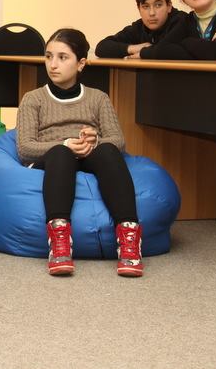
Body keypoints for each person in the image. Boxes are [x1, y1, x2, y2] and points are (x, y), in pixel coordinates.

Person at [16, 28, 143, 277]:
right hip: (52, 159)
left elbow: (118, 141)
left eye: (62, 57)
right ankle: (60, 242)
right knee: (61, 154)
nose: (53, 64)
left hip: (88, 154)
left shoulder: (98, 98)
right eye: (48, 56)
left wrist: (96, 140)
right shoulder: (33, 99)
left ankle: (129, 238)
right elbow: (25, 148)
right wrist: (64, 143)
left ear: (81, 63)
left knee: (108, 151)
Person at [95, 0, 188, 59]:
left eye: (158, 5)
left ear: (169, 6)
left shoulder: (182, 21)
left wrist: (144, 53)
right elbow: (101, 47)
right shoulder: (139, 27)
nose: (152, 13)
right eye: (145, 7)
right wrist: (133, 48)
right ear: (139, 9)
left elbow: (163, 49)